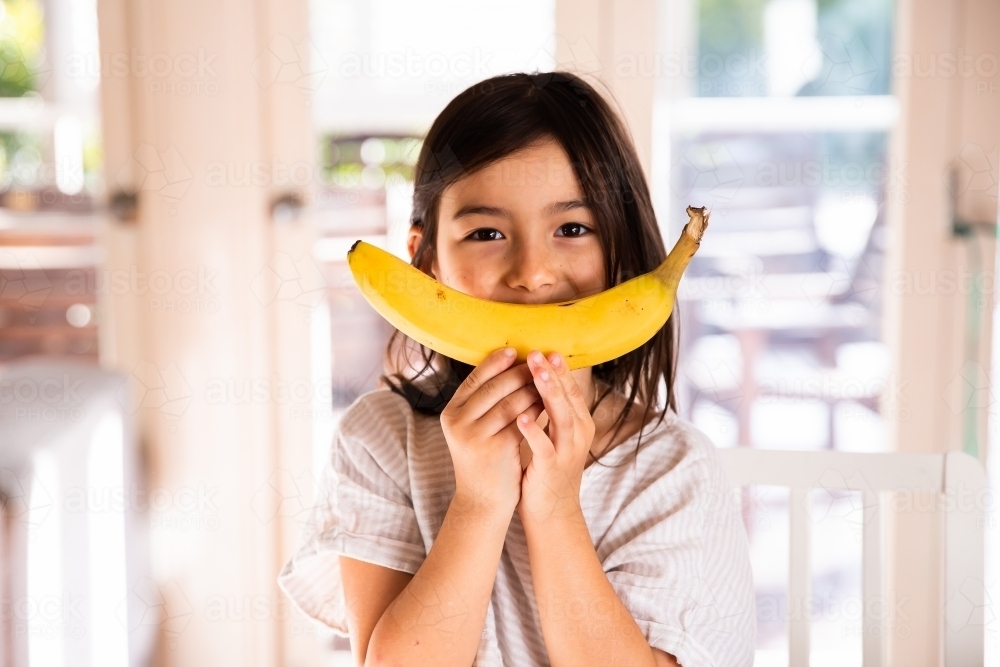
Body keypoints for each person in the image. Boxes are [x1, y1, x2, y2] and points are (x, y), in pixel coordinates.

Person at [277, 70, 755, 667]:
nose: (533, 271)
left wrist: (554, 509)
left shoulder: (670, 469)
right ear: (425, 265)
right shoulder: (380, 440)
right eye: (486, 232)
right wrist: (478, 502)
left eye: (573, 229)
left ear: (621, 254)